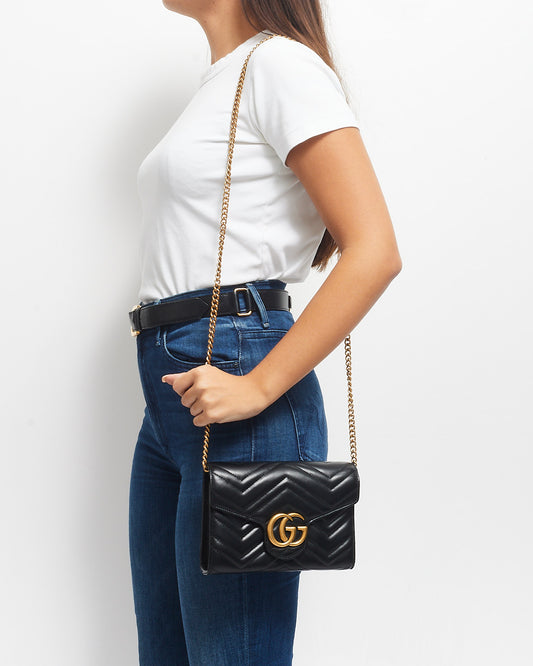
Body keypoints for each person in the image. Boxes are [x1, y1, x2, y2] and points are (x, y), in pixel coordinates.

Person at [128, 1, 402, 664]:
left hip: (240, 379)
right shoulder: (223, 80)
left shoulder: (279, 65)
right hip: (174, 394)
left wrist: (257, 387)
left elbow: (374, 250)